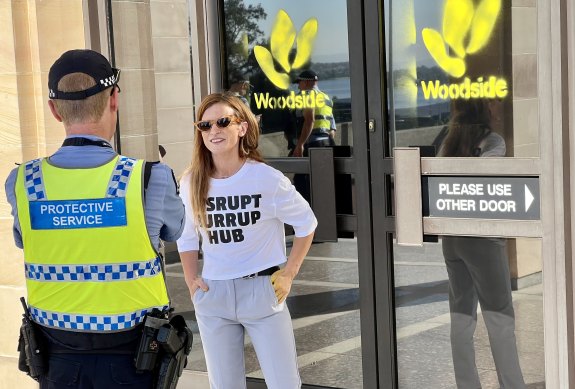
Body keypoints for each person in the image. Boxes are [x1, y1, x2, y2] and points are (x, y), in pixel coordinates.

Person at [4, 49, 185, 388]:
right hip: (134, 361)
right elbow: (176, 229)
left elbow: (24, 240)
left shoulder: (24, 182)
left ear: (54, 109)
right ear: (114, 98)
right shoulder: (149, 179)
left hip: (56, 361)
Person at [177, 92, 317, 389]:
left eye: (223, 121)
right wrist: (192, 281)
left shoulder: (266, 178)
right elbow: (187, 235)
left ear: (241, 127)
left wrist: (289, 273)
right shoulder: (192, 181)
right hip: (214, 295)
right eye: (205, 125)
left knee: (284, 384)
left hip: (262, 291)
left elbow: (307, 223)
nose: (213, 130)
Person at [437, 98, 526, 389]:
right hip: (483, 240)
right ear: (483, 111)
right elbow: (488, 178)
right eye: (493, 103)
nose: (498, 107)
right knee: (500, 317)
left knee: (461, 318)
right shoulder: (494, 142)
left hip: (452, 239)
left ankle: (467, 385)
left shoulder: (448, 143)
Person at [290, 69, 336, 157]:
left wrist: (300, 145)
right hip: (327, 143)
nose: (299, 87)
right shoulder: (327, 98)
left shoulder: (306, 96)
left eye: (299, 83)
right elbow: (332, 130)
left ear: (306, 82)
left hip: (311, 144)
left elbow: (310, 120)